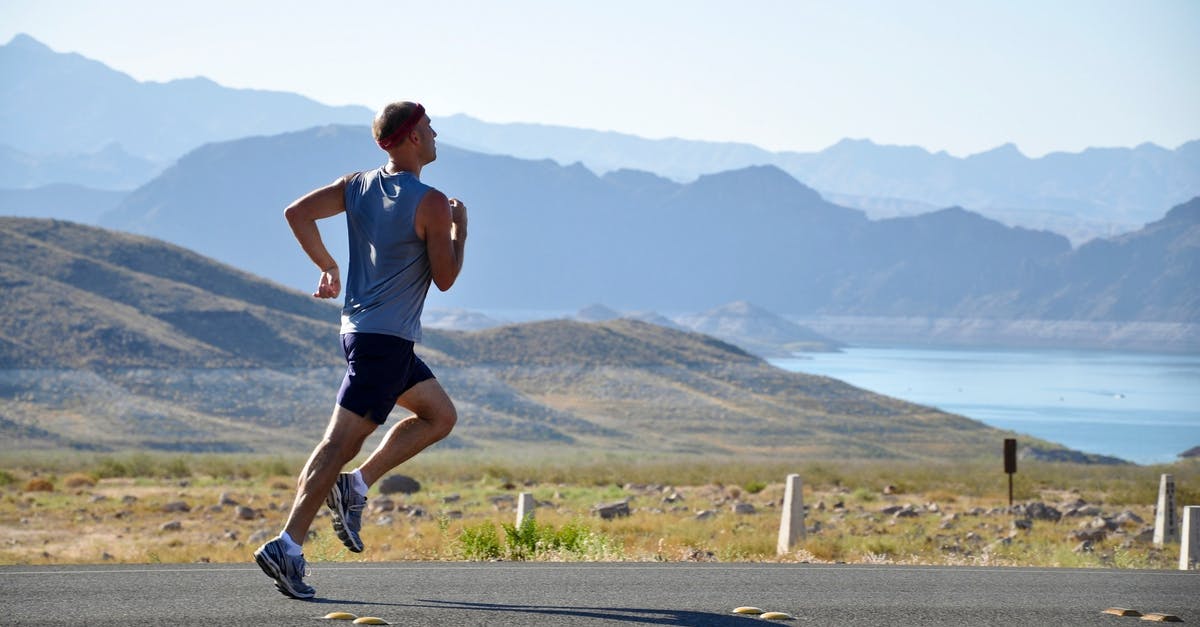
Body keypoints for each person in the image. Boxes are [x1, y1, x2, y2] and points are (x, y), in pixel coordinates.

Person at [253, 101, 467, 599]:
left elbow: (297, 212)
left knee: (439, 415)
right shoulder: (431, 202)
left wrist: (328, 265)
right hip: (384, 342)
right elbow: (446, 278)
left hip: (365, 334)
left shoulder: (357, 184)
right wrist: (460, 230)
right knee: (338, 443)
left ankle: (356, 485)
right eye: (431, 130)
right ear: (412, 137)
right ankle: (287, 544)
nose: (436, 137)